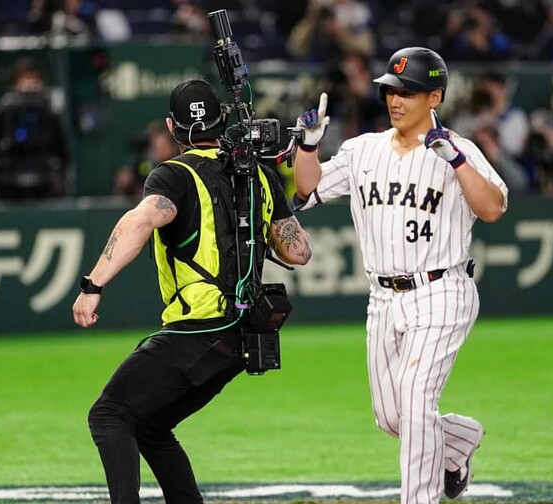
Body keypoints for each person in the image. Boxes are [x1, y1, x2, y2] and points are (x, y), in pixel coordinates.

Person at [72, 79, 312, 504]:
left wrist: (93, 285)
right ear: (221, 120)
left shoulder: (173, 174)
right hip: (245, 334)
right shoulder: (258, 174)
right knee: (150, 426)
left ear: (172, 126)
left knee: (109, 415)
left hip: (197, 330)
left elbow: (138, 223)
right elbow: (299, 252)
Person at [292, 47, 508, 504]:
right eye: (390, 90)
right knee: (391, 416)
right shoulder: (362, 150)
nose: (395, 100)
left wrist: (456, 161)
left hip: (441, 290)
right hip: (383, 298)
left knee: (414, 403)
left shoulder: (459, 151)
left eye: (407, 92)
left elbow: (492, 208)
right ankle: (459, 443)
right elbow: (306, 190)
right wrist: (309, 146)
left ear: (435, 97)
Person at [0, 58, 69, 200]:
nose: (29, 85)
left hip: (44, 183)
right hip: (6, 184)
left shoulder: (50, 115)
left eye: (34, 79)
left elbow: (63, 154)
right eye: (25, 78)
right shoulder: (0, 113)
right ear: (14, 82)